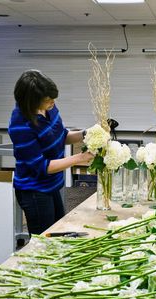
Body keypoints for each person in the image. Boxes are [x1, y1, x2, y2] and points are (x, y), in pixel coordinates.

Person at [8, 69, 94, 236]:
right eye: (48, 101)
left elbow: (62, 136)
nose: (52, 103)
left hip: (52, 184)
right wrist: (80, 158)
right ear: (31, 102)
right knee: (45, 243)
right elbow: (42, 167)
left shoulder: (49, 107)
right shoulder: (20, 125)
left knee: (58, 233)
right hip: (34, 190)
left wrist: (87, 134)